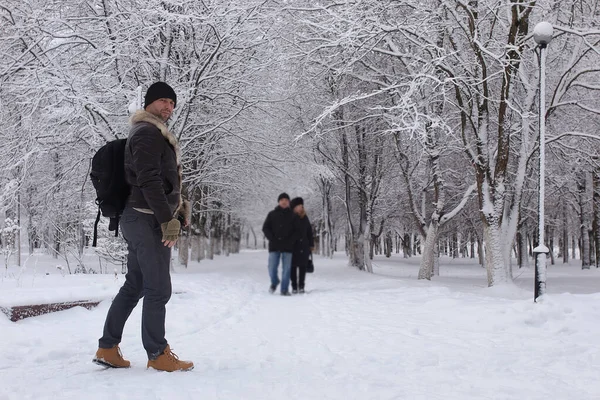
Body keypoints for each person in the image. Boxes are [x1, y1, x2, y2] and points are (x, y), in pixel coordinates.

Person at [93, 82, 193, 372]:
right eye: (162, 100)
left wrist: (178, 208)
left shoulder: (151, 133)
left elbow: (161, 180)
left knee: (135, 284)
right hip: (146, 218)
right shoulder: (148, 133)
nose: (168, 107)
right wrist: (167, 220)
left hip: (139, 217)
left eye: (172, 103)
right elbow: (148, 180)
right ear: (148, 103)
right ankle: (157, 353)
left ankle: (108, 347)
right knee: (158, 288)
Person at [262, 193, 298, 296]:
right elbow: (265, 228)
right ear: (279, 201)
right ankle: (274, 282)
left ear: (289, 202)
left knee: (286, 269)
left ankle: (284, 289)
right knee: (271, 267)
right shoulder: (272, 214)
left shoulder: (293, 215)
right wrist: (272, 238)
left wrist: (291, 240)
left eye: (286, 200)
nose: (284, 201)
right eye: (282, 199)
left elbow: (297, 231)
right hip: (274, 245)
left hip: (288, 246)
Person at [290, 197, 314, 294]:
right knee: (293, 267)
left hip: (304, 246)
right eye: (298, 206)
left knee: (303, 267)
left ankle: (301, 286)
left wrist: (311, 245)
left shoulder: (305, 217)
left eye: (301, 206)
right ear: (294, 207)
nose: (300, 208)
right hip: (292, 246)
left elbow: (309, 232)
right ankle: (294, 287)